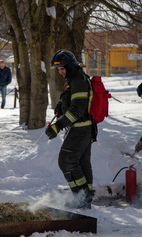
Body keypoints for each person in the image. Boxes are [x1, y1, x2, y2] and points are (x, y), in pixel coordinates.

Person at [45, 49, 94, 209]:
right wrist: (61, 105)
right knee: (81, 162)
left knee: (66, 161)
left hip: (80, 129)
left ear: (70, 65)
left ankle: (81, 198)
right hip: (84, 128)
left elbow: (77, 110)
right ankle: (85, 197)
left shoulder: (78, 79)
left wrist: (58, 126)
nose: (60, 72)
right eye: (58, 69)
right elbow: (75, 102)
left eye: (62, 68)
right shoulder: (75, 78)